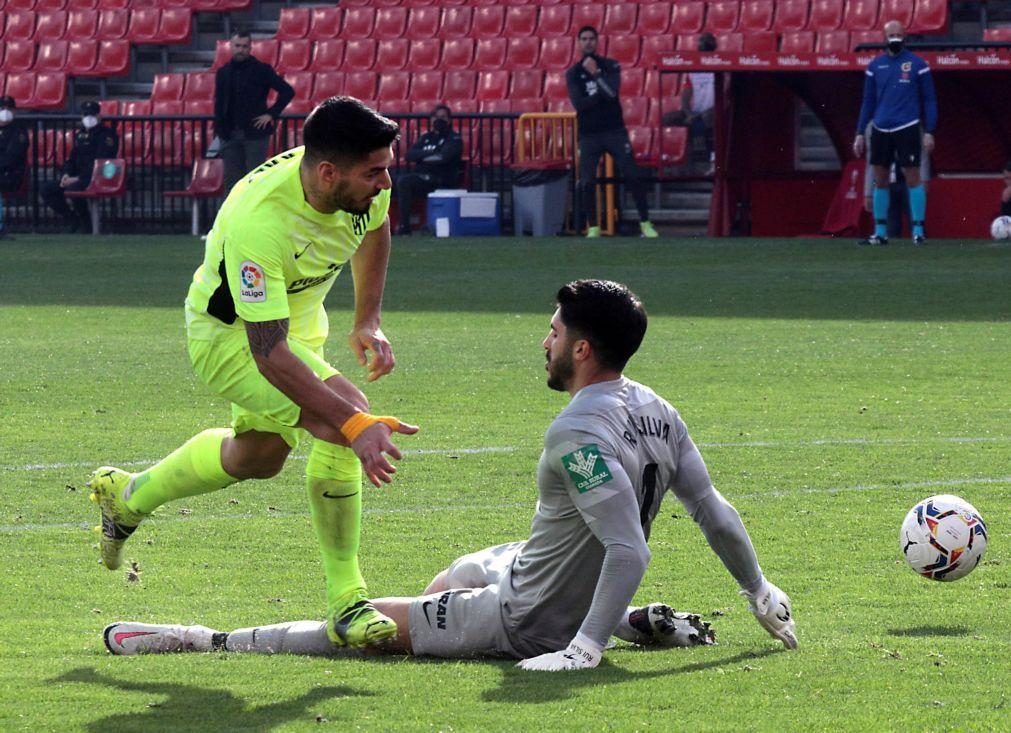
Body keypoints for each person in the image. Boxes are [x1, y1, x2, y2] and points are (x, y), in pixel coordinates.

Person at [103, 279, 798, 670]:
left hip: (524, 619)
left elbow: (628, 546)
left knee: (364, 628)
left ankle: (207, 638)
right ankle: (625, 618)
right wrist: (758, 589)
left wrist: (580, 650)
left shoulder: (578, 431)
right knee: (448, 577)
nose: (544, 338)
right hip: (525, 564)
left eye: (553, 331)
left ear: (581, 348)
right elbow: (709, 507)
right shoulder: (658, 410)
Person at [87, 97, 419, 651]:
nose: (386, 182)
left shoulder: (358, 184)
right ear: (329, 172)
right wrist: (354, 424)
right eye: (375, 172)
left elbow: (376, 230)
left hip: (296, 328)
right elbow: (269, 353)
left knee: (258, 459)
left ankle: (129, 495)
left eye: (387, 167)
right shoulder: (259, 220)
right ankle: (348, 603)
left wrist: (368, 319)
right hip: (232, 339)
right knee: (343, 416)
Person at [567, 26, 659, 239]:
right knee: (587, 181)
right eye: (584, 39)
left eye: (591, 38)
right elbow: (579, 104)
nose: (588, 42)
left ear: (597, 41)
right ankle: (593, 227)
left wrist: (596, 75)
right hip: (589, 134)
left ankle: (645, 223)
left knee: (633, 175)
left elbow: (612, 93)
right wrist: (599, 94)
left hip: (614, 131)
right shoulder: (572, 73)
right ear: (579, 43)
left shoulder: (610, 65)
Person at [853, 19, 937, 247]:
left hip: (908, 126)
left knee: (913, 177)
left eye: (898, 34)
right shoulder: (874, 66)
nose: (895, 38)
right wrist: (860, 132)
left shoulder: (918, 65)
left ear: (905, 37)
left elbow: (929, 100)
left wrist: (929, 131)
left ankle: (918, 231)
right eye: (891, 35)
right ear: (883, 37)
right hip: (880, 127)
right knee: (880, 179)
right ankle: (880, 232)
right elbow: (867, 101)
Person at [214, 29, 295, 192]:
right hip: (229, 134)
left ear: (250, 48)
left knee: (255, 180)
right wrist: (219, 129)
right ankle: (232, 218)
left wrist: (271, 114)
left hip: (255, 134)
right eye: (238, 45)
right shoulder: (223, 72)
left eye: (245, 46)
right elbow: (219, 102)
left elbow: (287, 91)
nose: (241, 49)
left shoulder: (262, 70)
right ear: (231, 46)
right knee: (231, 182)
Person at [40, 100, 119, 233]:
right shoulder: (80, 135)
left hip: (96, 176)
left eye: (92, 115)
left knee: (74, 188)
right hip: (78, 176)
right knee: (46, 189)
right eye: (86, 115)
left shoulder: (107, 135)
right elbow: (72, 158)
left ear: (99, 116)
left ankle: (86, 222)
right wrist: (66, 174)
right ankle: (72, 218)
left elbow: (101, 162)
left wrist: (77, 178)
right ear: (81, 117)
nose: (89, 118)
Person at [393, 105, 464, 236]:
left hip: (439, 179)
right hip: (419, 176)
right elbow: (410, 155)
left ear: (449, 120)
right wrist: (432, 153)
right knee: (389, 181)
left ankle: (405, 227)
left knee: (404, 181)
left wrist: (422, 156)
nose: (438, 120)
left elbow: (444, 157)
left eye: (443, 117)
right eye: (436, 117)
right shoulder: (426, 137)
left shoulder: (453, 138)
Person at [661, 33, 716, 176]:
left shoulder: (720, 67)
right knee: (668, 119)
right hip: (696, 111)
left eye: (706, 44)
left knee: (710, 119)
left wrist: (709, 111)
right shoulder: (694, 68)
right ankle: (679, 164)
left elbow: (726, 95)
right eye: (701, 45)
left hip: (714, 111)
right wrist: (687, 112)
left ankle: (713, 163)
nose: (703, 47)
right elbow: (686, 95)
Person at [0, 96, 29, 240]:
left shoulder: (19, 132)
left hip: (12, 174)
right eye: (2, 108)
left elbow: (12, 158)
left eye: (8, 108)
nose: (5, 111)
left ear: (14, 111)